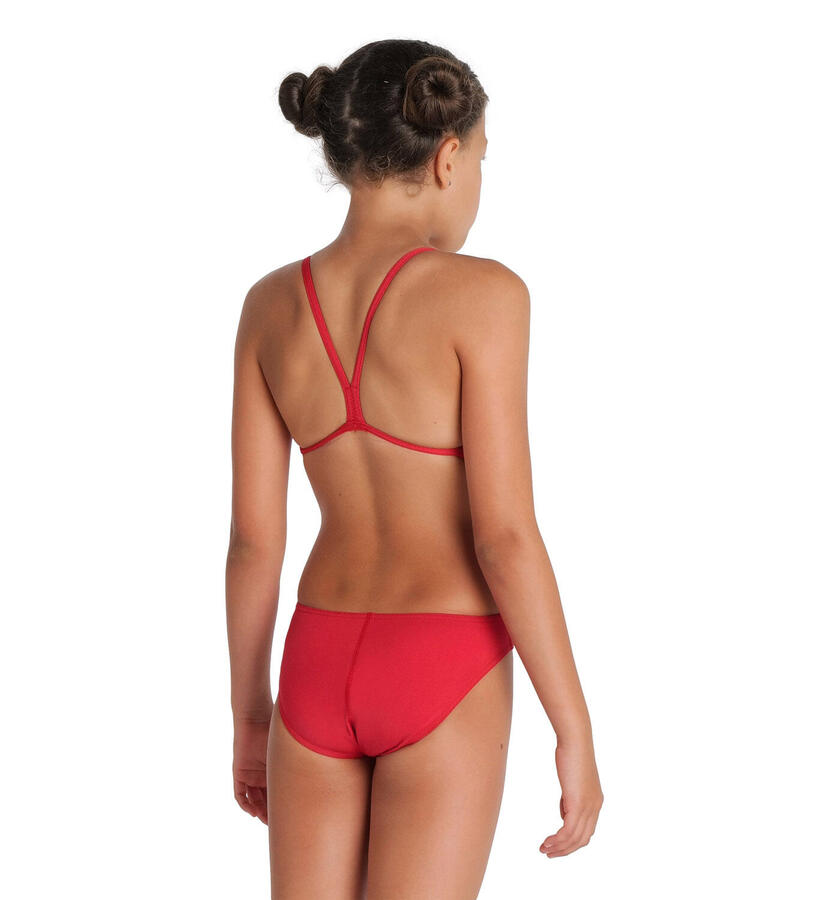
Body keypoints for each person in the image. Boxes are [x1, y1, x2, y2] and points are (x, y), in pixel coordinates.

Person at [225, 38, 603, 899]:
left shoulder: (268, 307)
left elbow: (253, 542)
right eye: (482, 160)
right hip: (443, 658)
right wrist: (572, 725)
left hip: (315, 663)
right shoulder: (485, 296)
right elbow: (505, 538)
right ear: (448, 157)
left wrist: (251, 716)